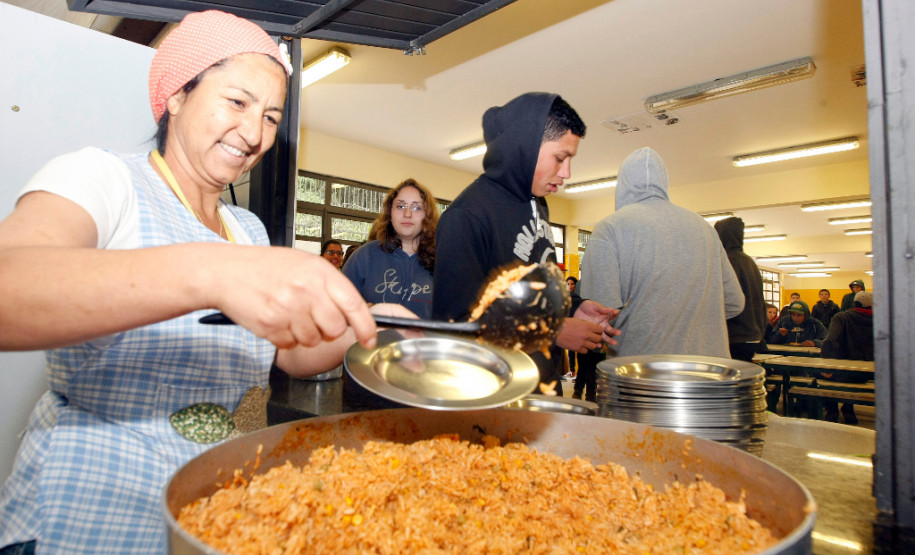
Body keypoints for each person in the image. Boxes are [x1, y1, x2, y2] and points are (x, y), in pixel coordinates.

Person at [0, 11, 412, 554]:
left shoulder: (246, 230)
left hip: (209, 519)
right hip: (87, 518)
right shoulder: (106, 178)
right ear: (177, 95)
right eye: (237, 102)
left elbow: (289, 354)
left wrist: (370, 324)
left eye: (270, 116)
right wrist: (211, 271)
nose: (255, 133)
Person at [432, 92, 620, 396]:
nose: (567, 173)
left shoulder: (538, 202)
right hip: (493, 400)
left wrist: (574, 307)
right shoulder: (467, 217)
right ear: (526, 147)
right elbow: (455, 329)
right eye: (560, 158)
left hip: (541, 389)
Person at [579, 147, 745, 358]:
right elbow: (735, 303)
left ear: (622, 184)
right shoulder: (705, 229)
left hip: (642, 369)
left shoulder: (610, 228)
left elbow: (598, 315)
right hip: (710, 367)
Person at [343, 178, 438, 319]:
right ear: (390, 212)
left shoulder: (441, 261)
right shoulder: (365, 256)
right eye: (400, 206)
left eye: (416, 207)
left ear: (427, 215)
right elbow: (337, 308)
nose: (407, 214)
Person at [714, 217, 767, 362]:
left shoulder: (728, 261)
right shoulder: (749, 262)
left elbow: (726, 298)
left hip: (735, 334)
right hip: (752, 334)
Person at [820, 290, 874, 424]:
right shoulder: (879, 320)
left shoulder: (841, 317)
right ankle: (848, 409)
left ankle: (832, 410)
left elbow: (830, 341)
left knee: (820, 375)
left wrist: (827, 365)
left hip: (842, 372)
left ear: (854, 303)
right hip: (866, 375)